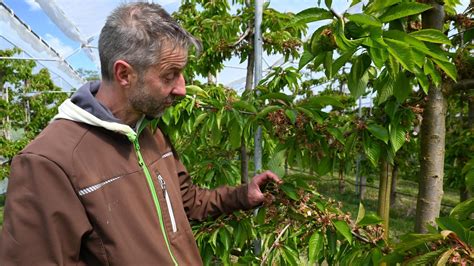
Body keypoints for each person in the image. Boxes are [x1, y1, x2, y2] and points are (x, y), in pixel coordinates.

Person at [0, 3, 281, 265]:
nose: (182, 89)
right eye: (169, 75)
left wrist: (243, 195)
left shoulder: (151, 131)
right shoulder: (48, 162)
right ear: (124, 74)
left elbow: (187, 202)